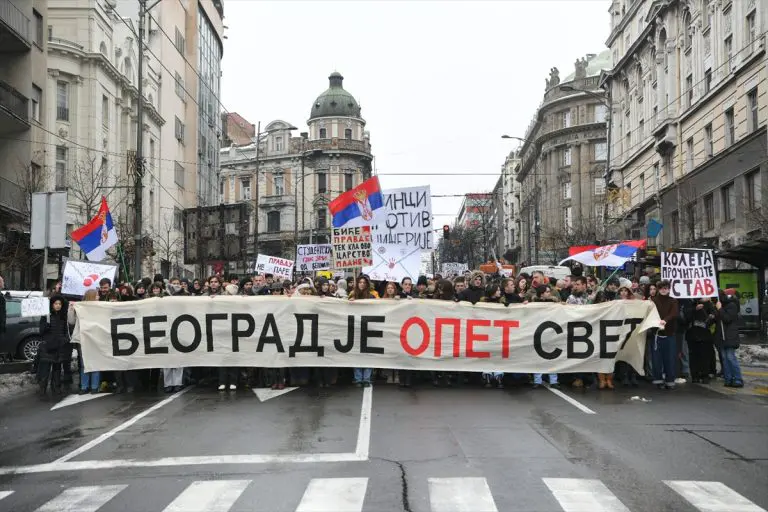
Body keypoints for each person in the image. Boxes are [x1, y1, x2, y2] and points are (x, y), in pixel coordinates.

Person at [70, 289, 101, 394]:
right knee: (84, 364)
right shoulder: (81, 308)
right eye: (97, 295)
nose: (99, 297)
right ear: (91, 296)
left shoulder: (100, 308)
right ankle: (84, 386)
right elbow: (71, 321)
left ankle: (94, 386)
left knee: (96, 362)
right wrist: (71, 308)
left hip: (96, 338)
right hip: (83, 338)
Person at [38, 295, 70, 395]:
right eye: (56, 303)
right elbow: (41, 331)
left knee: (57, 368)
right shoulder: (46, 316)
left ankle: (56, 387)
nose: (58, 306)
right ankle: (42, 388)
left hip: (60, 346)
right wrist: (45, 327)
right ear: (52, 305)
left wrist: (64, 339)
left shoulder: (63, 317)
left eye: (59, 304)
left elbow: (65, 331)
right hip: (48, 346)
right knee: (46, 368)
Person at [651, 280, 679, 390]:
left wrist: (665, 320)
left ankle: (670, 380)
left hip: (669, 334)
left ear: (669, 289)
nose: (664, 290)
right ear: (658, 289)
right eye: (662, 288)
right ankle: (658, 380)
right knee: (656, 359)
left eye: (666, 288)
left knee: (670, 359)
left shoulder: (673, 301)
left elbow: (674, 313)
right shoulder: (653, 301)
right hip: (656, 334)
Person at [714, 289, 744, 388]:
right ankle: (728, 378)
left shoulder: (732, 305)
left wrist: (720, 309)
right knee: (724, 359)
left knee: (730, 357)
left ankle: (737, 378)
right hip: (721, 336)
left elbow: (727, 318)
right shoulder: (719, 306)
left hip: (729, 336)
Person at [350, 275, 375, 387]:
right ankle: (358, 378)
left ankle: (367, 378)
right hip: (355, 328)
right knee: (356, 354)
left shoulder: (371, 297)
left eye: (364, 282)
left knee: (368, 353)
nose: (362, 284)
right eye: (360, 282)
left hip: (368, 328)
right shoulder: (352, 295)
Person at [688, 297, 716, 384]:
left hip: (705, 335)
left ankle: (705, 375)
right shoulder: (692, 303)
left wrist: (711, 317)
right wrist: (694, 309)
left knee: (705, 356)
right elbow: (686, 316)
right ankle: (695, 375)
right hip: (693, 334)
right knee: (694, 356)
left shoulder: (710, 305)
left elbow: (714, 316)